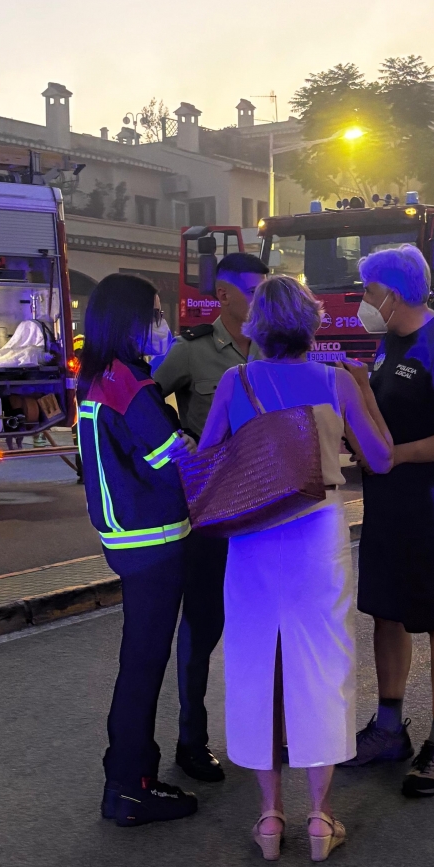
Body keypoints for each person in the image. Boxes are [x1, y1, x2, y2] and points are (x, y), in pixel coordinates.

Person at [200, 275, 393, 861]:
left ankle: (268, 815)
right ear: (311, 324)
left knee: (255, 661)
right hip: (317, 535)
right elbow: (381, 458)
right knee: (322, 663)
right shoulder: (337, 381)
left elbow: (208, 460)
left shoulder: (235, 381)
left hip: (252, 536)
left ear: (257, 325)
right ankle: (319, 817)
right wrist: (365, 391)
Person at [348, 244, 434, 797]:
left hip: (433, 508)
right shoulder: (390, 342)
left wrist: (397, 455)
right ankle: (388, 729)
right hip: (387, 504)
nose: (362, 300)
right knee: (386, 613)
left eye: (368, 290)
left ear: (394, 293)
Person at [77, 274, 197, 828]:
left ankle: (127, 772)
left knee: (138, 661)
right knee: (144, 666)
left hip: (124, 539)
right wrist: (191, 443)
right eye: (154, 314)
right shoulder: (133, 388)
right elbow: (177, 462)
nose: (163, 324)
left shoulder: (101, 377)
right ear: (128, 322)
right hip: (155, 541)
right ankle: (130, 785)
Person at [154, 251, 268, 782]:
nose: (263, 300)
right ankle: (191, 739)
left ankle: (261, 729)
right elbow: (145, 403)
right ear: (224, 295)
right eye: (254, 291)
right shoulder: (192, 351)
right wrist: (180, 443)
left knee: (261, 622)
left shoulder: (273, 348)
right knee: (203, 624)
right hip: (208, 508)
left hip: (263, 506)